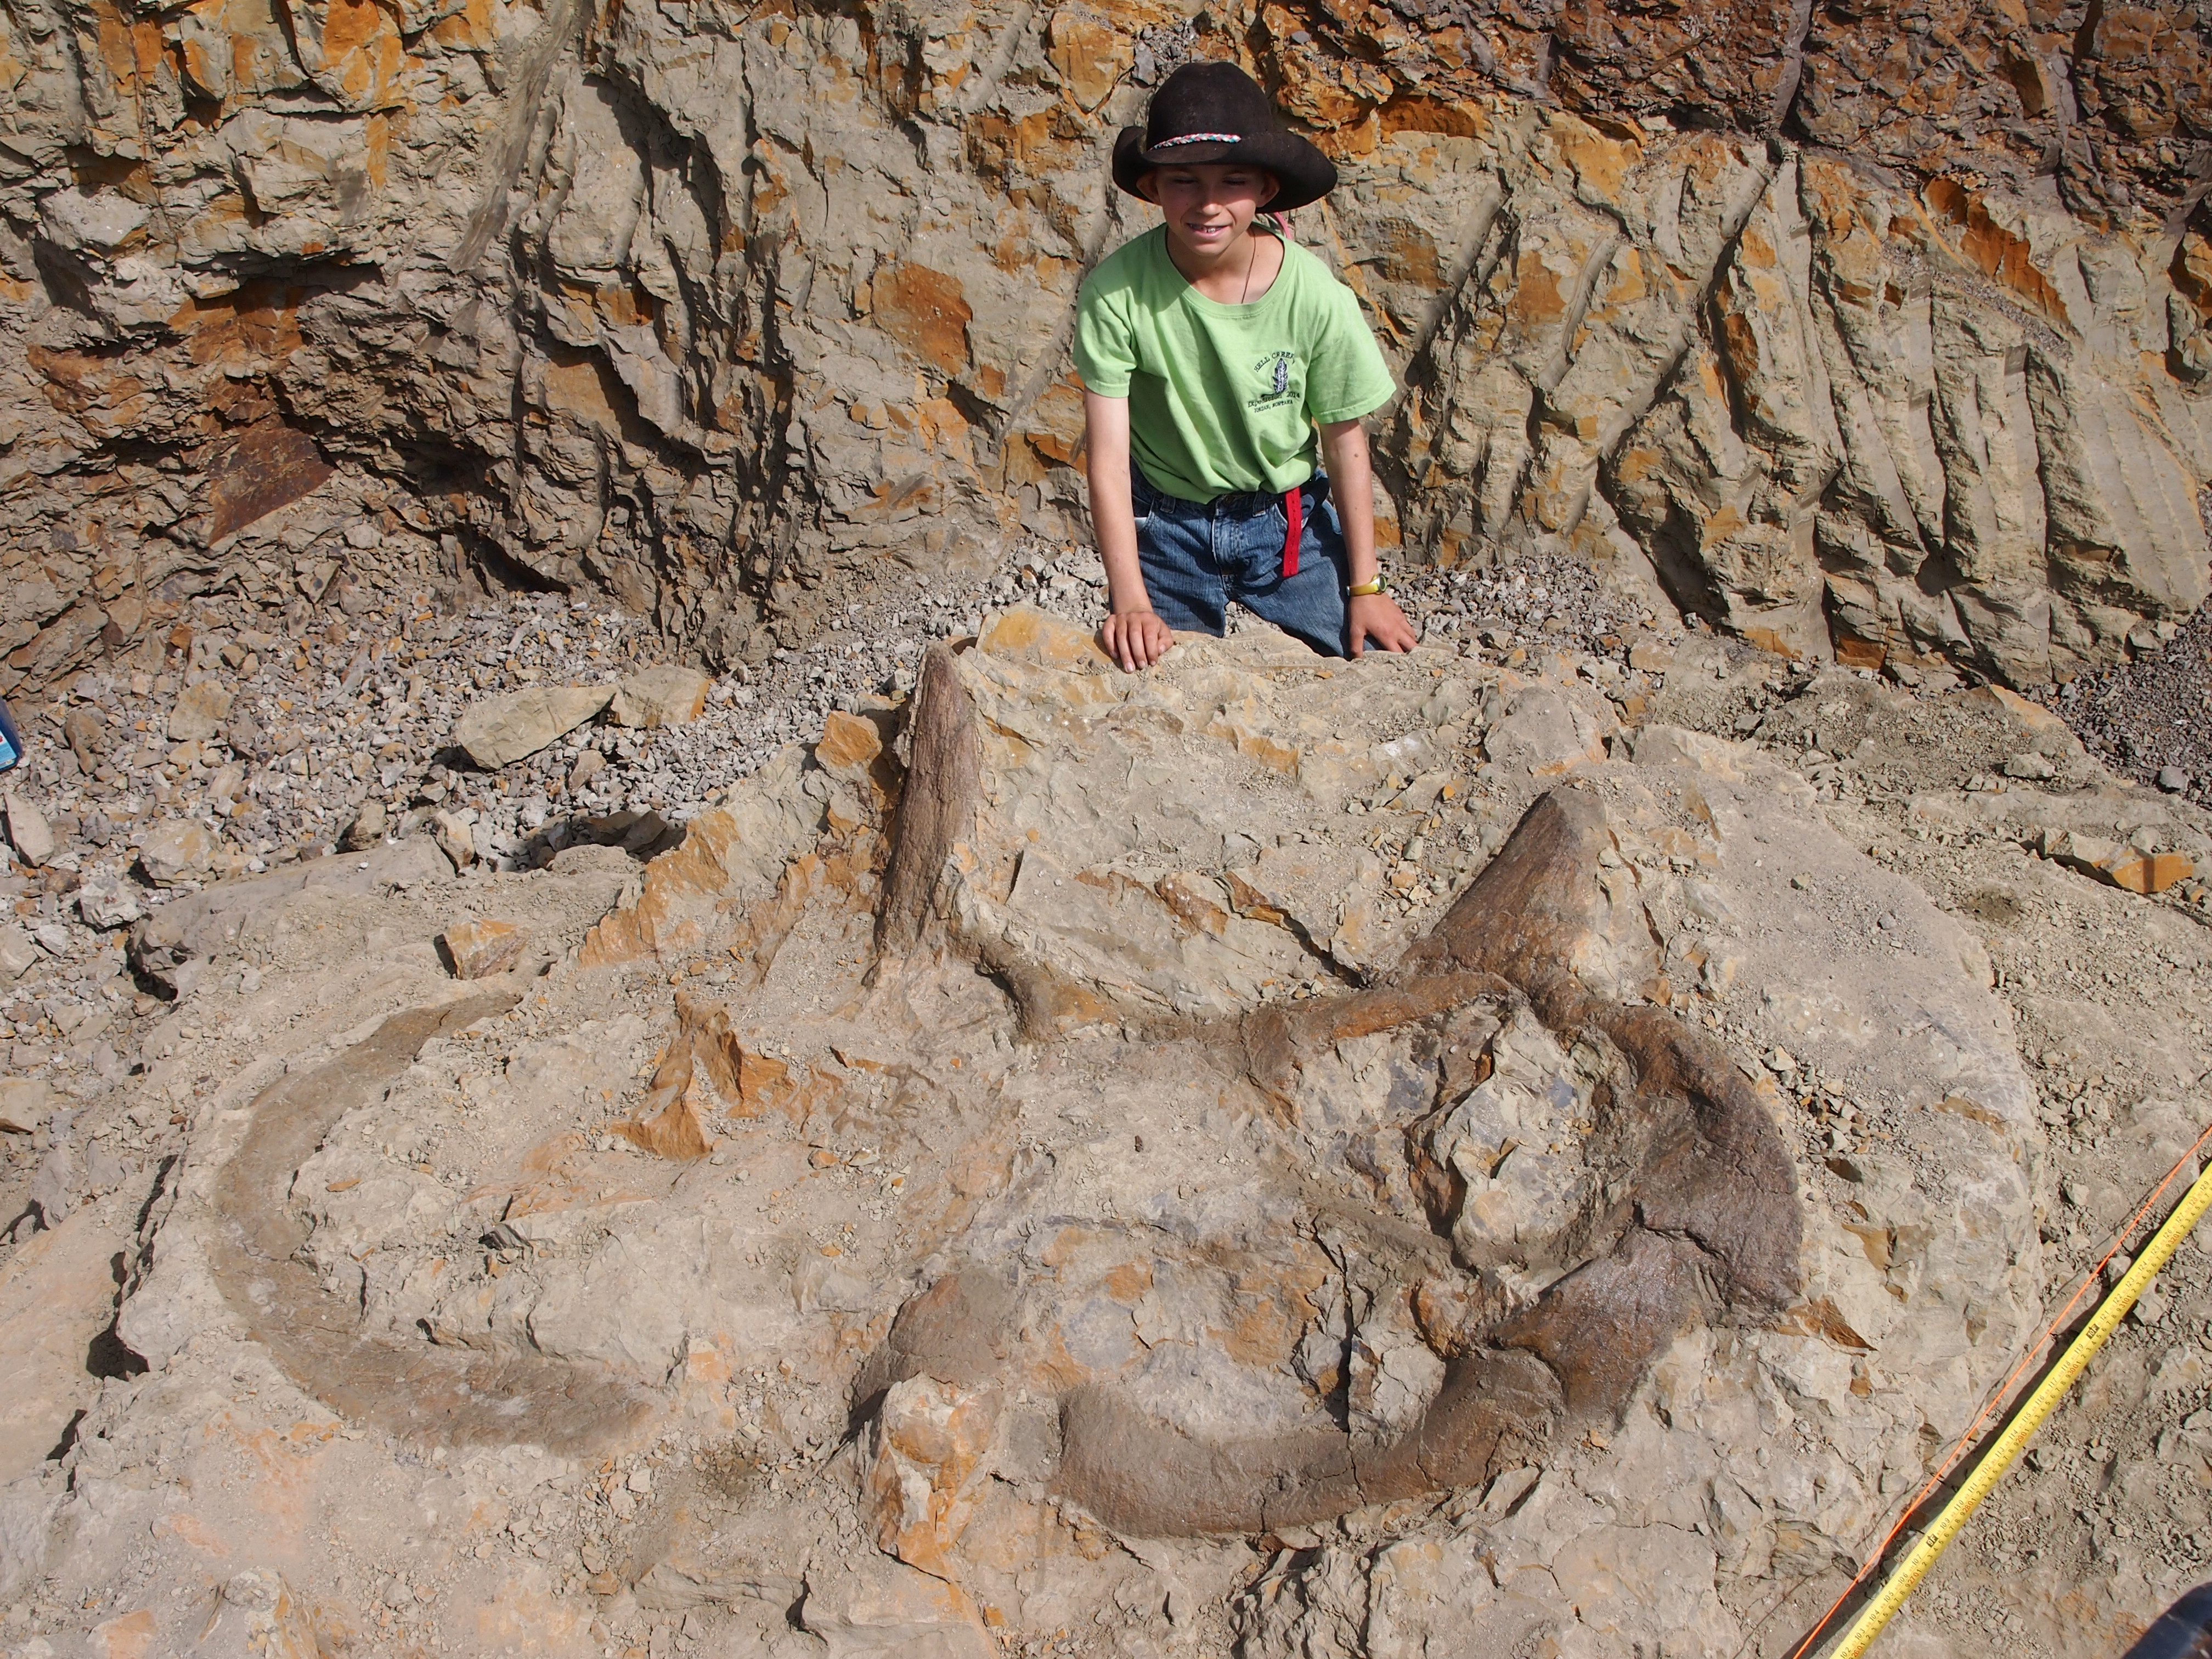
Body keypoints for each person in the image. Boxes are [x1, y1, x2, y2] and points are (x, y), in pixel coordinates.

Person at [1073, 59, 1418, 673]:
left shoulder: (1314, 294)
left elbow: (1344, 443)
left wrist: (1367, 589)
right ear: (1152, 187)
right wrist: (1130, 600)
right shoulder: (1116, 292)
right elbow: (1107, 457)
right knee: (1152, 687)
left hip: (1289, 525)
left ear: (1265, 189)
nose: (1207, 204)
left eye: (1232, 181)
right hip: (1167, 526)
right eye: (1183, 181)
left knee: (1375, 663)